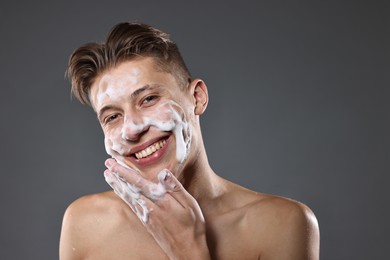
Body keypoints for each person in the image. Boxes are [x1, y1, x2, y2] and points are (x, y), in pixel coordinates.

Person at [60, 22, 320, 260]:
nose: (132, 129)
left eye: (148, 99)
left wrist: (189, 252)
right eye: (113, 116)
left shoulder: (282, 225)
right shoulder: (85, 223)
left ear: (197, 97)